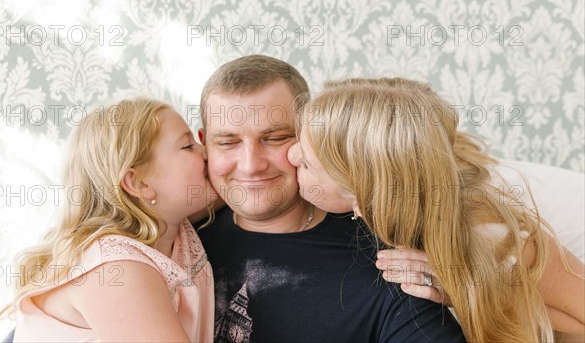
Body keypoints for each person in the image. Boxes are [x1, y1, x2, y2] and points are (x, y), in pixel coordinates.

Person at [287, 77, 585, 342]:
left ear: (360, 192)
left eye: (306, 164)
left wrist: (470, 293)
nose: (291, 153)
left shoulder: (491, 234)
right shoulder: (399, 199)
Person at [195, 55, 466, 342]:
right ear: (204, 143)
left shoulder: (390, 264)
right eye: (227, 142)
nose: (251, 165)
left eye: (275, 138)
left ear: (310, 135)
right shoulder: (177, 240)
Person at [0, 98, 217, 342]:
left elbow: (241, 189)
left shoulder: (168, 222)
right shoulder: (115, 271)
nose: (207, 151)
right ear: (139, 184)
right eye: (187, 146)